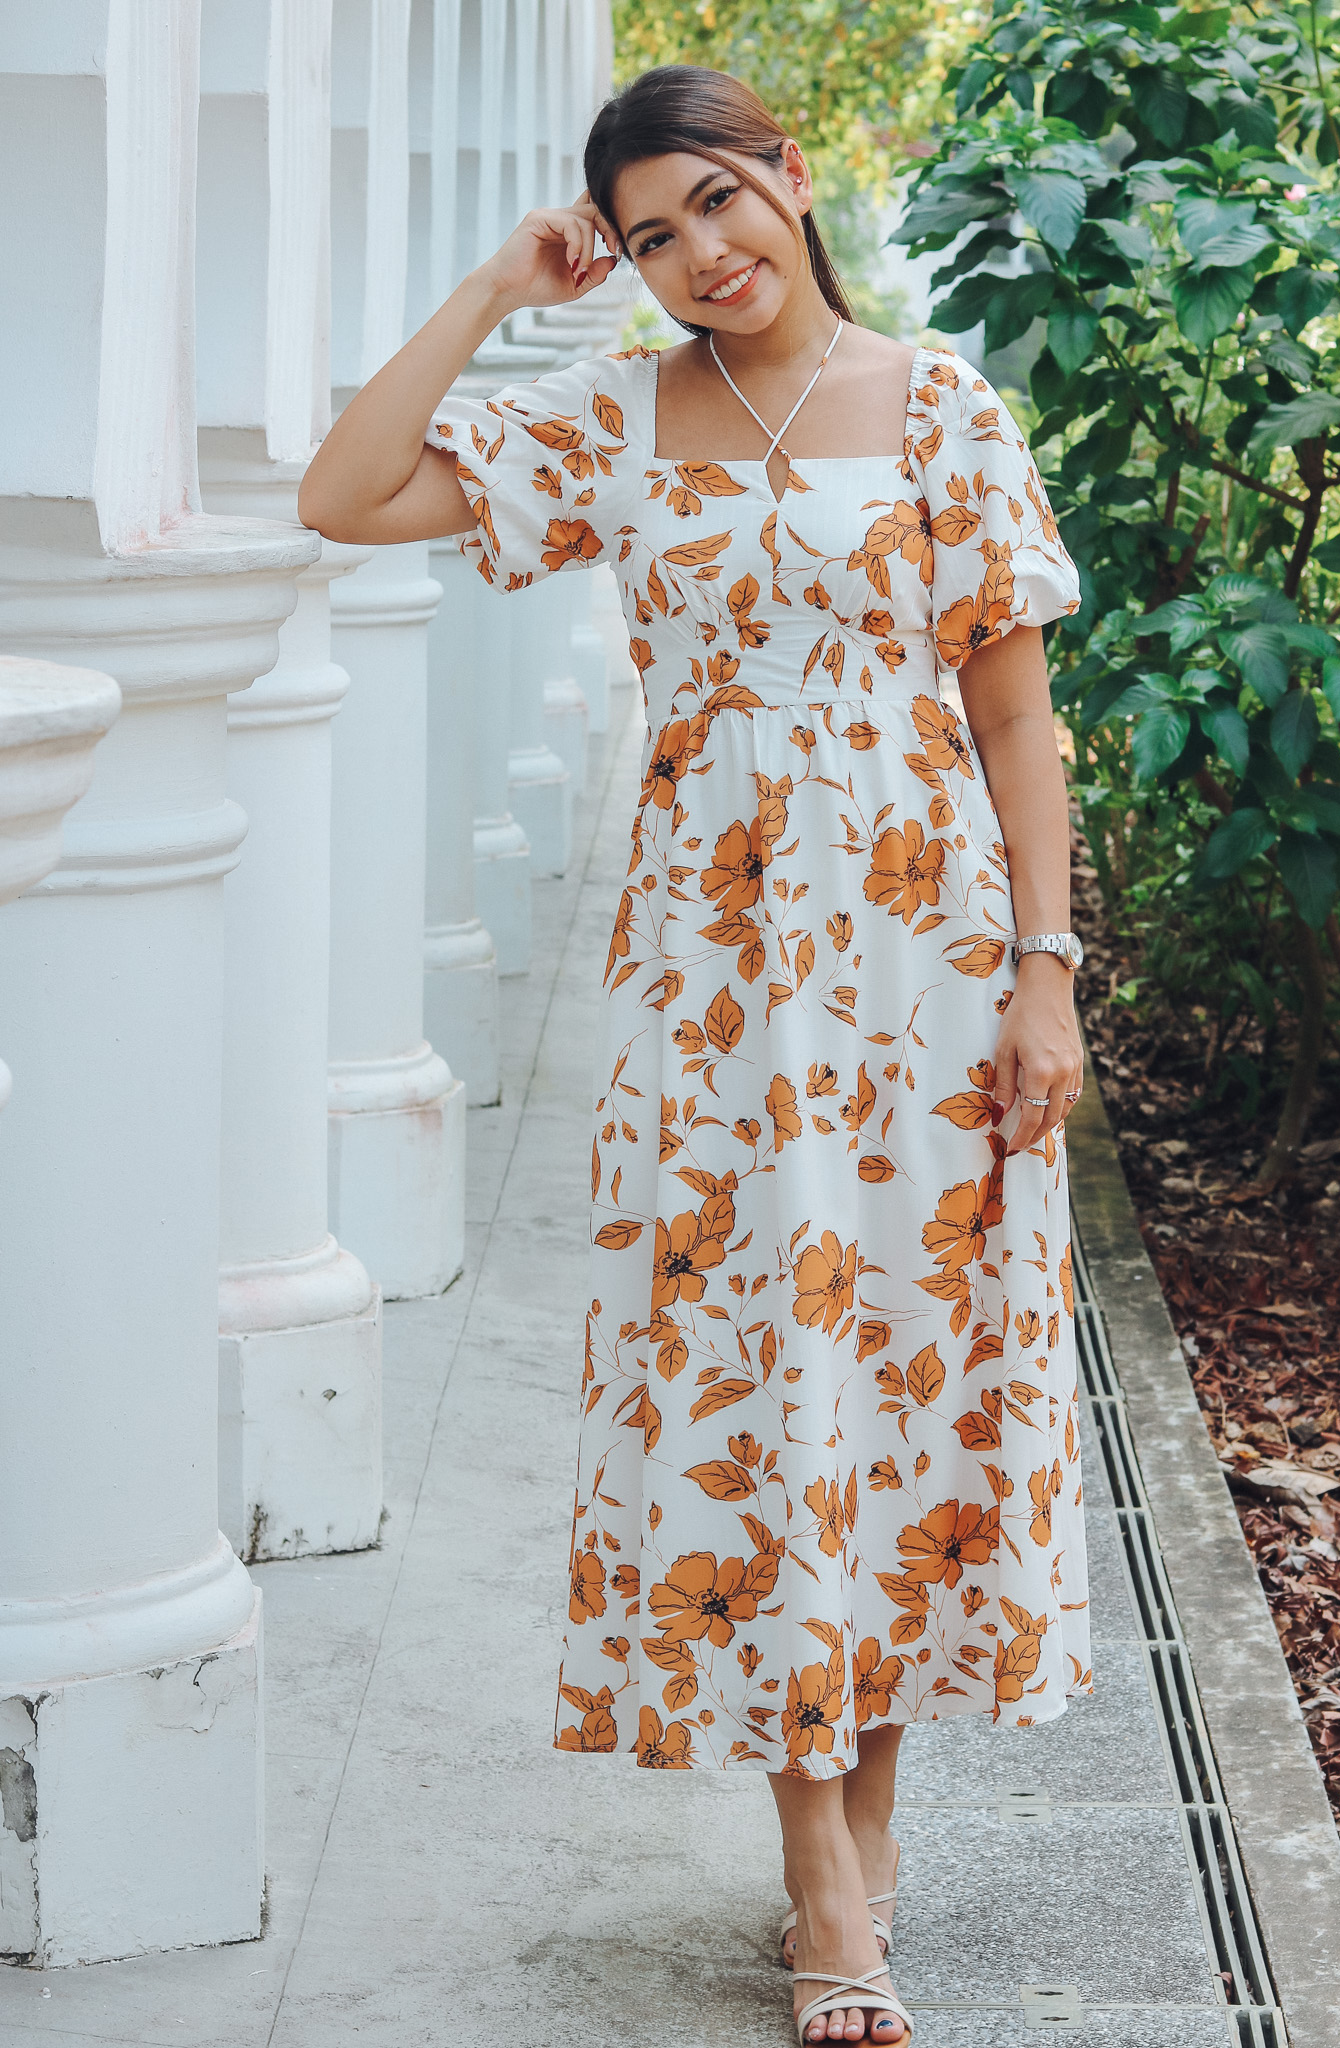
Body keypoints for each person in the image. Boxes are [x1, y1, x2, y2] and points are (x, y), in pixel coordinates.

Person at [300, 62, 1093, 2048]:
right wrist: (505, 287)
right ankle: (823, 1870)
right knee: (761, 1382)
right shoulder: (616, 421)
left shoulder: (941, 410)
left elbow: (1019, 726)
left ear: (790, 181)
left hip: (928, 974)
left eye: (716, 206)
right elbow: (345, 492)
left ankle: (858, 1847)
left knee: (902, 1387)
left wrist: (1049, 973)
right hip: (717, 1005)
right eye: (652, 235)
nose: (697, 257)